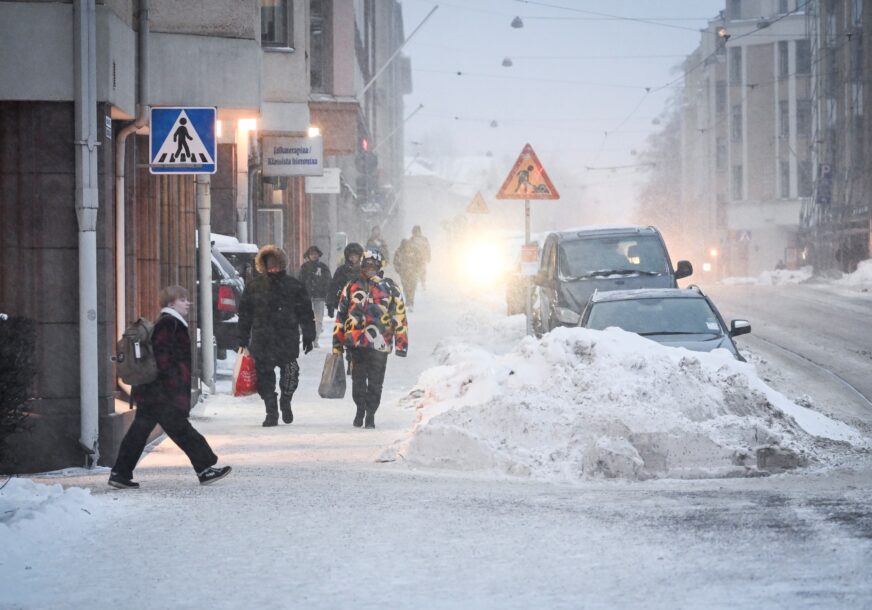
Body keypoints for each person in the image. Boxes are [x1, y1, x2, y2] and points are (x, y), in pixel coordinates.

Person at [109, 285, 232, 489]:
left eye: (187, 299)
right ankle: (204, 469)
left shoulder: (170, 323)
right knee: (181, 431)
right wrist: (173, 384)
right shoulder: (169, 324)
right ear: (171, 303)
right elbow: (163, 358)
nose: (188, 303)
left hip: (154, 392)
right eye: (182, 300)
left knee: (141, 432)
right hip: (162, 393)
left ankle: (120, 473)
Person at [238, 245, 316, 427]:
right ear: (263, 266)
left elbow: (305, 312)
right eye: (269, 265)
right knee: (264, 377)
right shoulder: (254, 287)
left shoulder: (294, 286)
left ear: (282, 265)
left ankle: (286, 400)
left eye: (276, 265)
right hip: (262, 339)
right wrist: (242, 338)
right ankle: (271, 411)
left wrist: (308, 335)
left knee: (290, 373)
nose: (273, 269)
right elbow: (245, 314)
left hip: (287, 338)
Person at [333, 249, 408, 429]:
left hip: (380, 343)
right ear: (362, 266)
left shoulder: (390, 288)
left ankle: (371, 414)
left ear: (380, 267)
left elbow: (400, 317)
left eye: (374, 266)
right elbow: (341, 316)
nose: (371, 269)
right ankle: (360, 408)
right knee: (358, 380)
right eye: (367, 265)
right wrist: (337, 344)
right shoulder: (351, 286)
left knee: (376, 382)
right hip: (356, 342)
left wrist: (401, 344)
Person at [299, 245, 331, 348]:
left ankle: (315, 339)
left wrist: (326, 293)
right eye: (311, 254)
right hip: (306, 298)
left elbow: (328, 281)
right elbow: (300, 282)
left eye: (315, 254)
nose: (314, 256)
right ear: (308, 255)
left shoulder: (323, 267)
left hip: (319, 297)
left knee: (318, 319)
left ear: (318, 255)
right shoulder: (304, 268)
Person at [327, 242, 364, 318]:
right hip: (344, 302)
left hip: (361, 302)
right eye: (351, 256)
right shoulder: (341, 270)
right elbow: (333, 287)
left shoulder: (364, 270)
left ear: (359, 257)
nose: (353, 258)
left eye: (355, 256)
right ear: (347, 257)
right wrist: (330, 304)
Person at [393, 238, 424, 309]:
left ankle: (411, 301)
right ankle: (408, 300)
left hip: (413, 272)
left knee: (412, 287)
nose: (407, 246)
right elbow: (395, 262)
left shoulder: (415, 251)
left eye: (408, 244)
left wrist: (418, 269)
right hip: (403, 273)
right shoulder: (399, 251)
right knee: (405, 287)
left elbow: (419, 261)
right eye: (405, 245)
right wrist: (398, 270)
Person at [409, 225, 431, 289]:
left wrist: (428, 256)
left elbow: (428, 248)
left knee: (422, 271)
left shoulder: (423, 239)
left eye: (417, 231)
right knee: (415, 272)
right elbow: (408, 249)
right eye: (415, 231)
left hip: (421, 258)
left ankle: (422, 283)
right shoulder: (412, 239)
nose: (416, 232)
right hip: (415, 259)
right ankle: (416, 284)